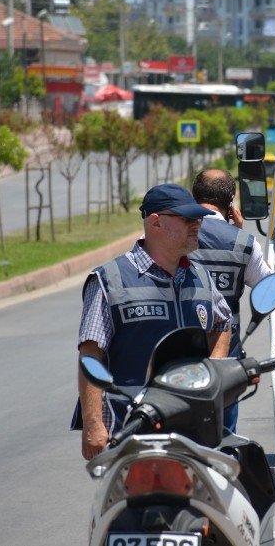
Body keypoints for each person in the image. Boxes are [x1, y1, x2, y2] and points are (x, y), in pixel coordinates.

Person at [72, 183, 233, 460]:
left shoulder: (201, 276)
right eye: (187, 219)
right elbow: (90, 354)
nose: (197, 225)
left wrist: (214, 372)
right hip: (129, 429)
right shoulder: (109, 280)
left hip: (190, 424)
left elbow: (222, 323)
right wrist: (93, 424)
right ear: (156, 222)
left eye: (198, 219)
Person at [189, 168, 273, 434]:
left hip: (176, 361)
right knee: (223, 441)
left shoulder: (171, 237)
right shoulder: (244, 243)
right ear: (231, 203)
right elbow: (269, 288)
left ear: (193, 197)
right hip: (224, 362)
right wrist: (236, 233)